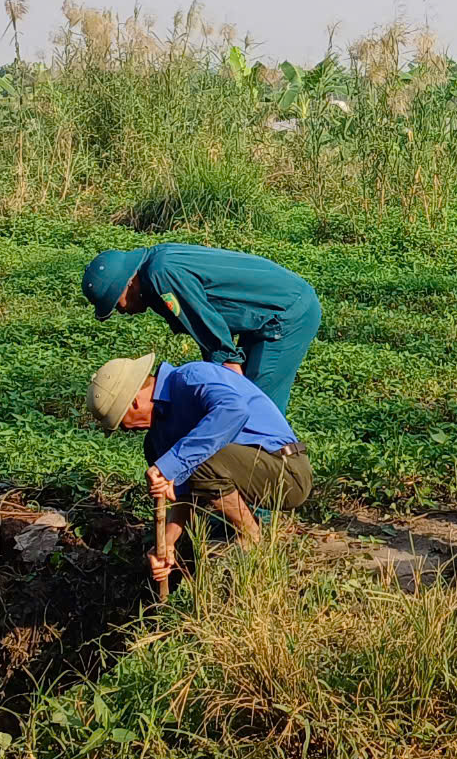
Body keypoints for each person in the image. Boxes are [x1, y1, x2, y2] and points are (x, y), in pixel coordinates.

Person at [84, 351, 312, 587]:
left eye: (122, 423)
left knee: (201, 456)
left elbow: (234, 411)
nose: (127, 430)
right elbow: (184, 497)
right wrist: (166, 544)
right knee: (195, 460)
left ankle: (251, 536)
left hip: (286, 473)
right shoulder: (156, 440)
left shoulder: (192, 377)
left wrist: (171, 464)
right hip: (245, 478)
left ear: (133, 403)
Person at [81, 243, 321, 413]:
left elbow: (215, 340)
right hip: (263, 318)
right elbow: (208, 333)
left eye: (117, 303)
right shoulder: (156, 264)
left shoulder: (160, 275)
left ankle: (280, 476)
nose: (121, 311)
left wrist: (230, 387)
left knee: (256, 409)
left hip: (285, 314)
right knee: (240, 404)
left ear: (128, 283)